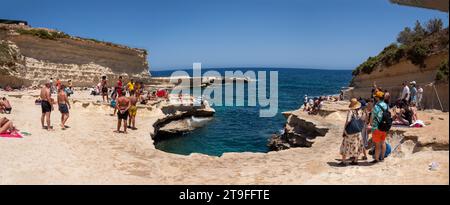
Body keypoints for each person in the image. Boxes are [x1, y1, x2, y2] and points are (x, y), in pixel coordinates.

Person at [339, 98, 365, 166]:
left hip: (350, 131)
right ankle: (355, 160)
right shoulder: (361, 111)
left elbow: (348, 121)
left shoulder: (351, 111)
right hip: (358, 131)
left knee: (345, 144)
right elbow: (363, 119)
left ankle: (344, 161)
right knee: (357, 145)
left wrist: (344, 129)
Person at [370, 91, 389, 163]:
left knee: (377, 144)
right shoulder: (386, 105)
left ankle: (377, 159)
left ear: (377, 98)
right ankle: (382, 158)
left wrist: (371, 124)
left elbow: (372, 117)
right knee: (383, 142)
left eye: (375, 97)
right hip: (384, 126)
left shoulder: (376, 107)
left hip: (377, 127)